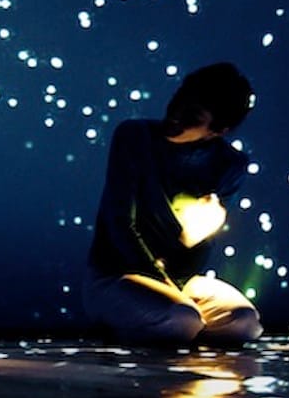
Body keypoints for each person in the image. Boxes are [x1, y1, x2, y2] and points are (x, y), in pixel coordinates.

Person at [83, 62, 263, 345]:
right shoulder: (135, 137)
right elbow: (120, 223)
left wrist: (196, 236)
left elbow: (198, 246)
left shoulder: (230, 165)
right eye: (178, 100)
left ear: (217, 130)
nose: (175, 114)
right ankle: (140, 325)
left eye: (191, 114)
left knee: (244, 322)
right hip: (115, 276)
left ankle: (167, 323)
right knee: (183, 318)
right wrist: (165, 283)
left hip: (181, 279)